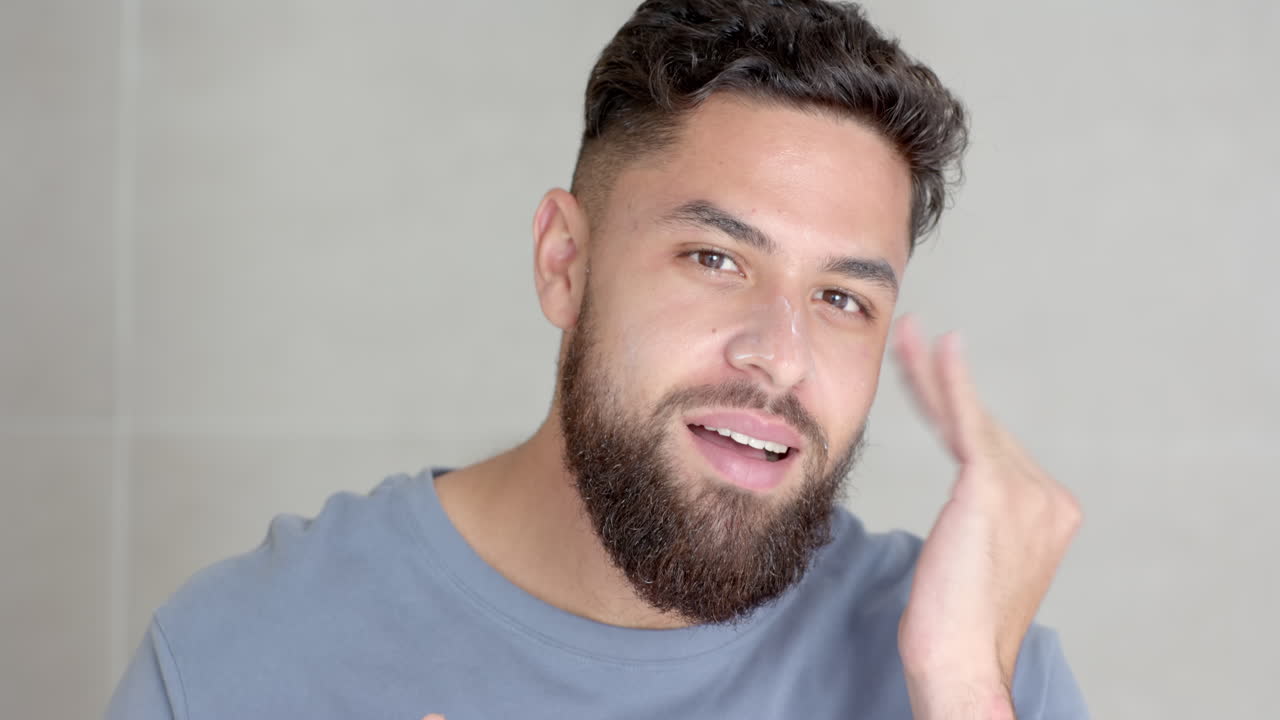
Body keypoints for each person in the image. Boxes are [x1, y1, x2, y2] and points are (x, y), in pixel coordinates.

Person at [107, 1, 1087, 718]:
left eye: (841, 299)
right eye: (715, 258)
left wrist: (958, 685)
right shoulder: (247, 658)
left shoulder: (973, 663)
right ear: (563, 264)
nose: (779, 357)